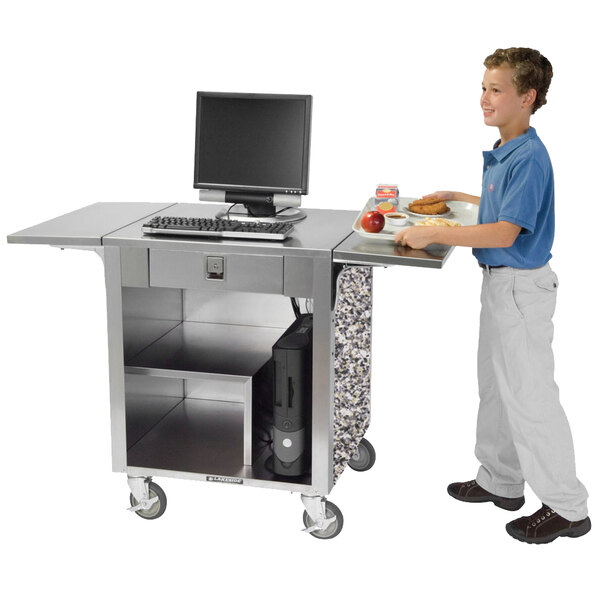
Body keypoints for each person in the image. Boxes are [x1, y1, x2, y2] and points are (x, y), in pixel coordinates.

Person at [395, 47, 591, 544]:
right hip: (501, 286)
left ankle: (568, 507)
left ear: (527, 97)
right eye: (483, 87)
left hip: (521, 290)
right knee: (497, 390)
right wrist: (462, 200)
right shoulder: (510, 148)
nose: (484, 98)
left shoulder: (528, 155)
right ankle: (501, 480)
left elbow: (505, 232)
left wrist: (432, 235)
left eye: (496, 89)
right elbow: (505, 209)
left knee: (531, 399)